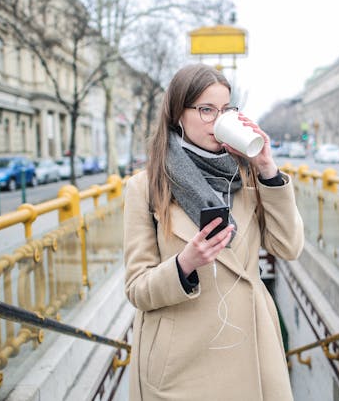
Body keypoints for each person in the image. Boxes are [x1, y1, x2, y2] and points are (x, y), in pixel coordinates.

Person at [123, 63, 304, 400]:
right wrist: (184, 265)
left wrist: (268, 169)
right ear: (179, 113)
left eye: (226, 110)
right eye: (206, 110)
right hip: (181, 362)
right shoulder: (145, 187)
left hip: (249, 349)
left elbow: (289, 247)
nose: (218, 121)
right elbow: (136, 289)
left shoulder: (249, 177)